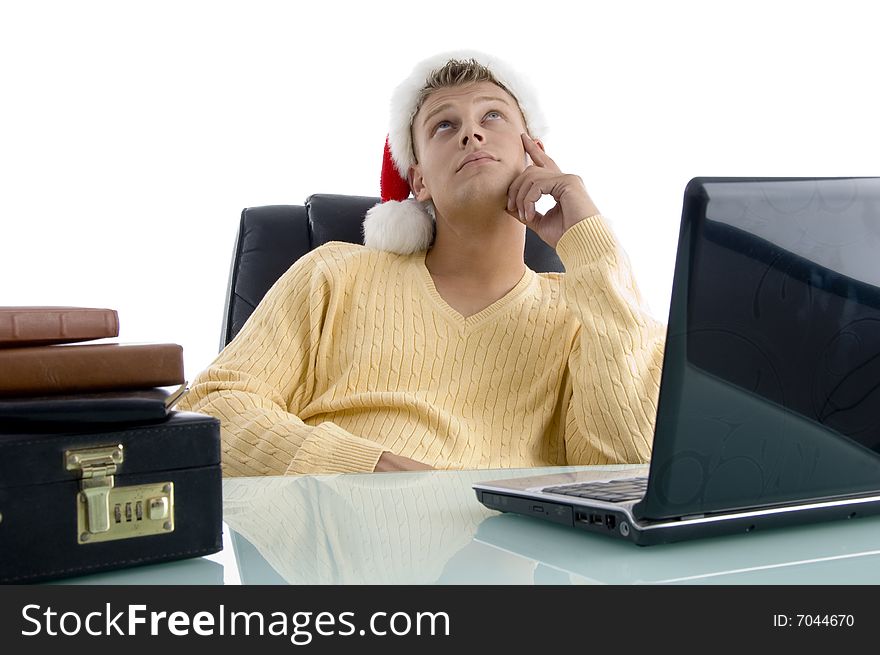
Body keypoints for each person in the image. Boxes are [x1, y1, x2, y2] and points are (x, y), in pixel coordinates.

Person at [177, 50, 666, 476]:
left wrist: (589, 241)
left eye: (493, 117)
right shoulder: (334, 274)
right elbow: (213, 409)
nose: (472, 133)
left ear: (533, 154)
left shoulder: (585, 314)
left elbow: (627, 461)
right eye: (444, 125)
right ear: (419, 183)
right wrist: (360, 467)